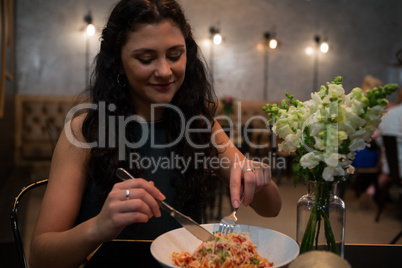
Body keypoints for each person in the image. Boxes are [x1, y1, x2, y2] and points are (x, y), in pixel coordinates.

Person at [29, 0, 282, 267]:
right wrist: (99, 227)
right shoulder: (85, 131)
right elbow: (40, 257)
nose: (164, 71)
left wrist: (259, 178)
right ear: (118, 63)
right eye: (146, 59)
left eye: (175, 55)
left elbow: (272, 208)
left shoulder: (200, 125)